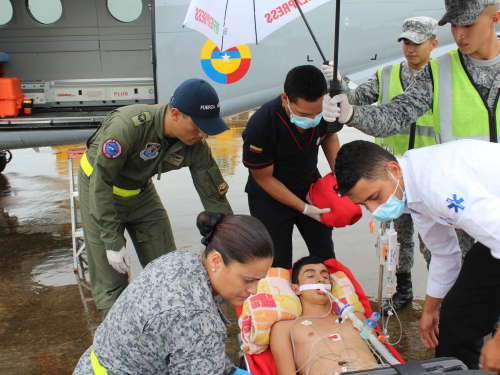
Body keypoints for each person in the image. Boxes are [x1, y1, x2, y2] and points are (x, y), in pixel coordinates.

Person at [333, 140, 500, 372]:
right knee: (456, 315)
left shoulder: (438, 186)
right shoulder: (411, 188)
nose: (375, 210)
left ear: (393, 169)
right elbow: (443, 252)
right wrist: (430, 310)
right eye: (365, 204)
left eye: (375, 196)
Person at [323, 17, 449, 316]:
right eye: (406, 42)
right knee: (397, 238)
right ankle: (403, 290)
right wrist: (339, 82)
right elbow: (356, 100)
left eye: (417, 43)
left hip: (429, 176)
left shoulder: (443, 76)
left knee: (437, 242)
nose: (409, 49)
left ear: (433, 43)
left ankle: (441, 295)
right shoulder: (387, 73)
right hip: (389, 177)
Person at [78, 79, 233, 319]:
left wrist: (232, 239)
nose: (203, 134)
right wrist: (111, 239)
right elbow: (101, 183)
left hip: (140, 190)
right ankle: (118, 341)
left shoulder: (195, 144)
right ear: (175, 114)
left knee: (168, 267)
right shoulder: (128, 127)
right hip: (99, 189)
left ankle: (166, 329)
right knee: (112, 277)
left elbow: (213, 194)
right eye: (199, 126)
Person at [73, 211, 273, 375]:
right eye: (248, 280)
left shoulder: (181, 260)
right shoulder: (196, 315)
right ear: (216, 261)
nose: (254, 290)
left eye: (259, 280)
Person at [242, 65, 341, 269]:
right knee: (277, 264)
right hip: (269, 196)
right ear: (285, 98)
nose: (313, 120)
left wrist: (340, 176)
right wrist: (304, 208)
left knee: (325, 256)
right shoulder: (261, 126)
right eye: (304, 114)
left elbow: (329, 135)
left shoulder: (326, 110)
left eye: (317, 113)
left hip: (309, 184)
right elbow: (264, 178)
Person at [270, 256, 378, 375]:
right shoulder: (285, 328)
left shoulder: (355, 318)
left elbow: (382, 353)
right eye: (310, 276)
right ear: (296, 289)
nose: (321, 279)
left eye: (325, 276)